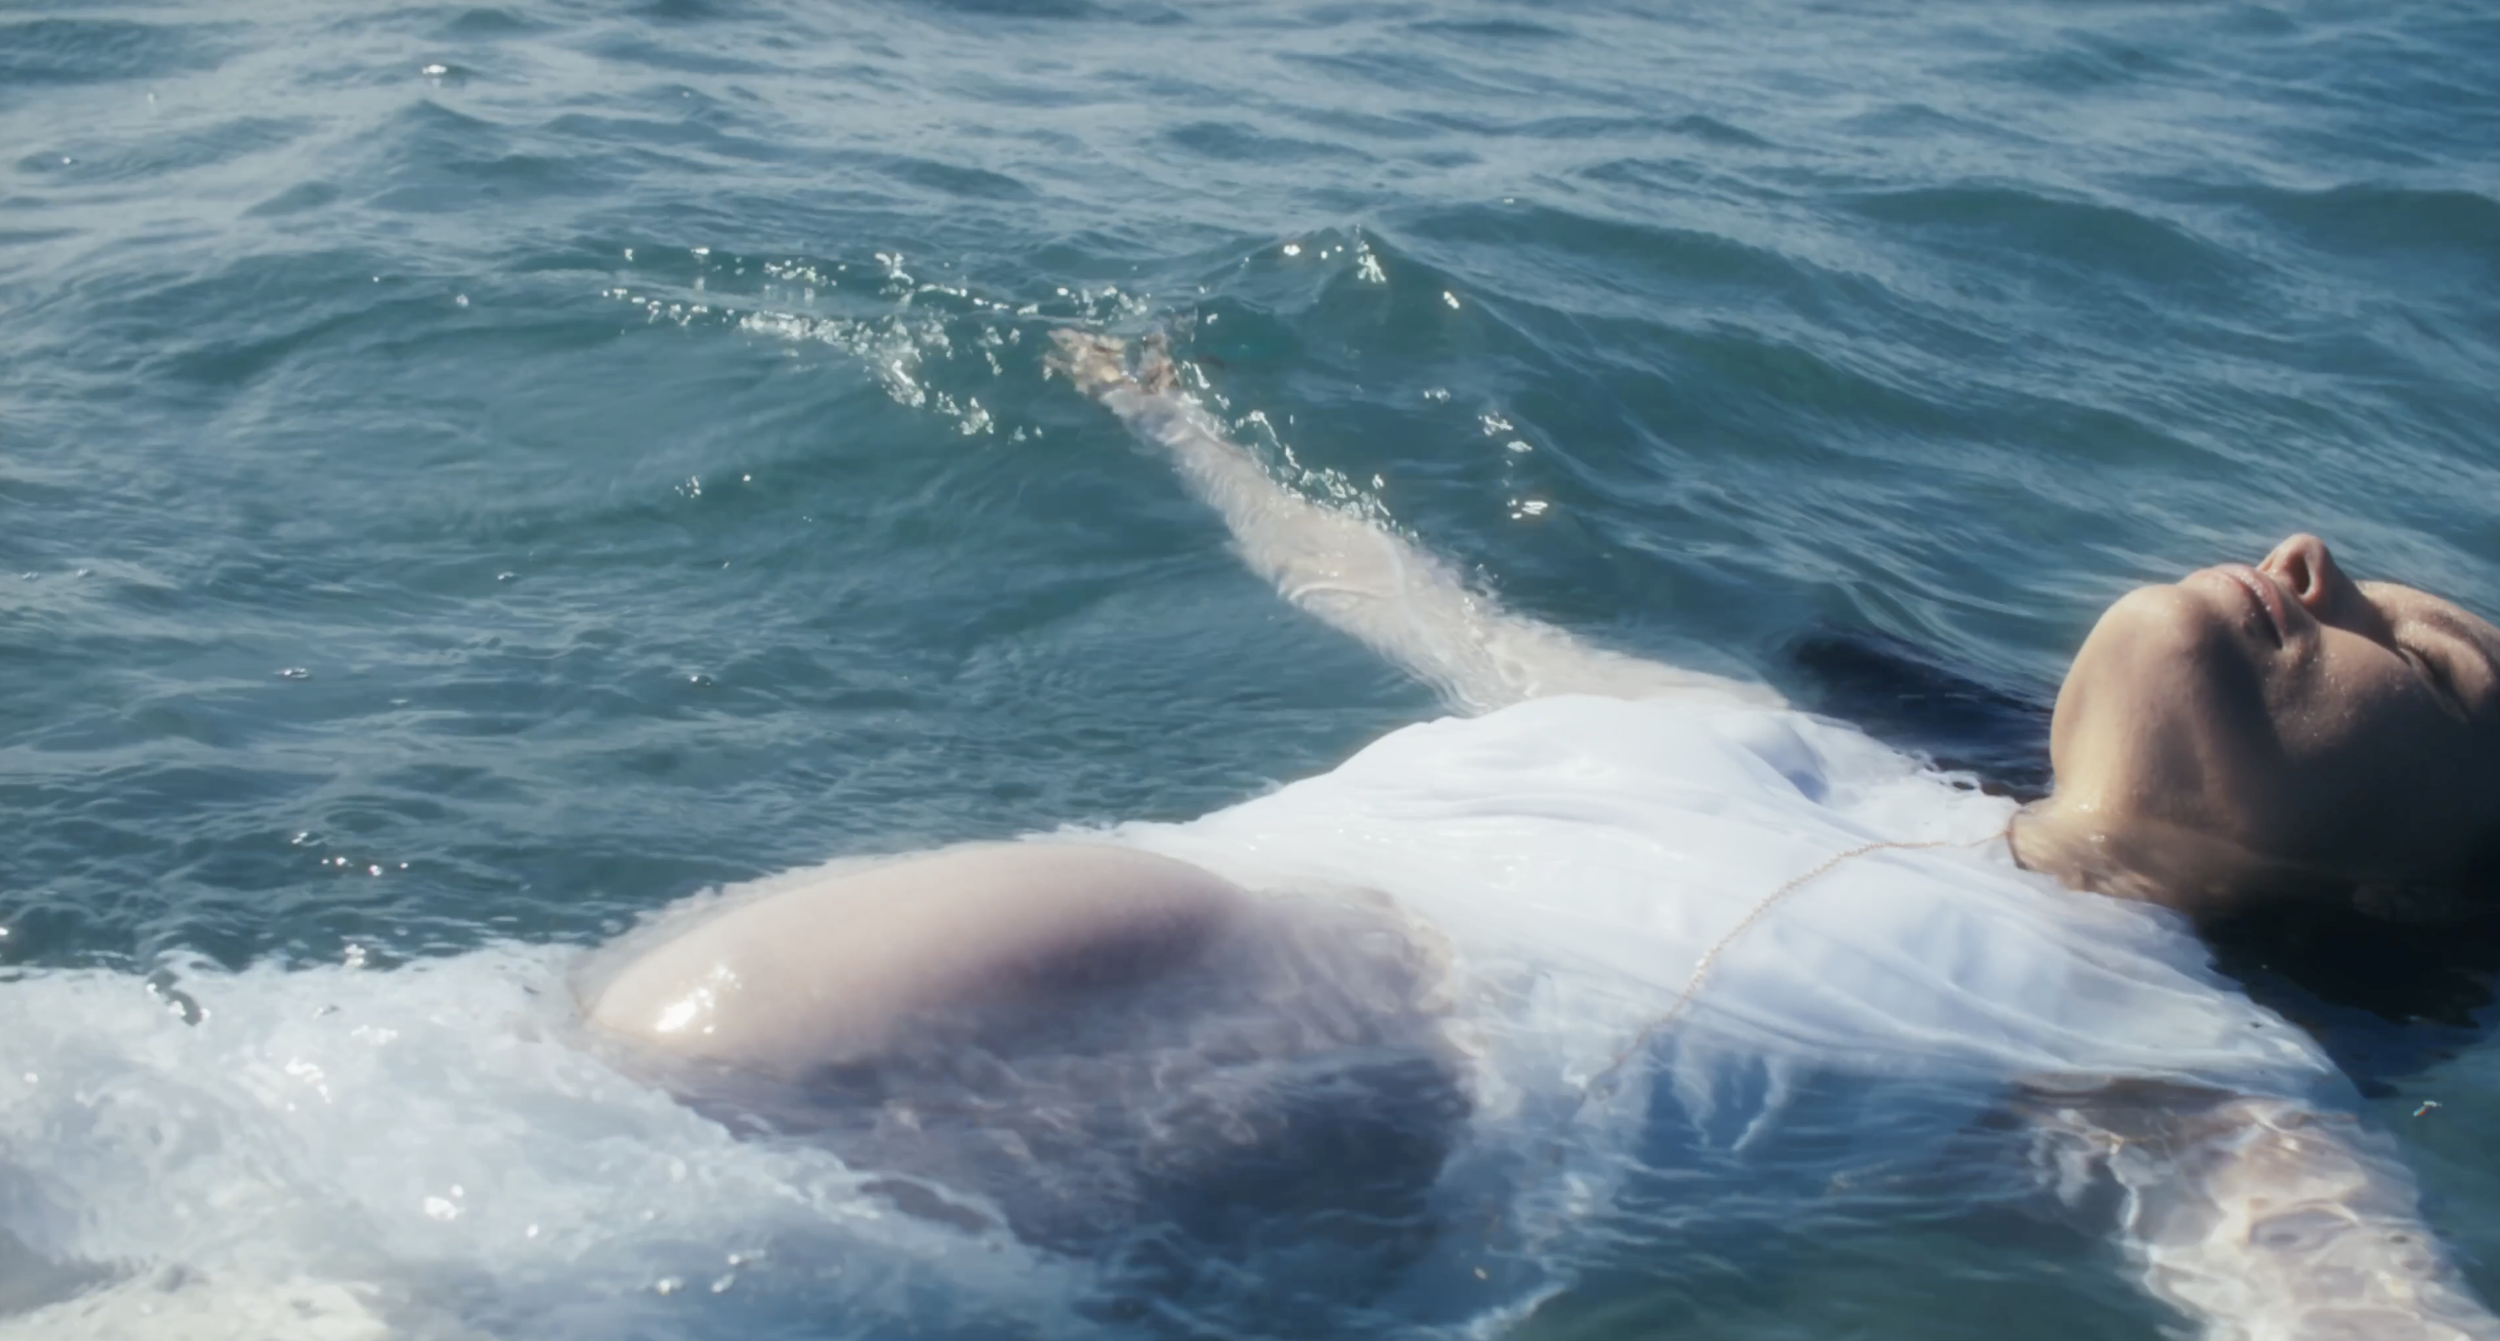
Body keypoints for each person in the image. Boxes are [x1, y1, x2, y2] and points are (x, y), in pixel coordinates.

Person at [581, 330, 2500, 1340]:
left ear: (2425, 874)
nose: (2313, 566)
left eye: (2431, 657)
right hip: (549, 1098)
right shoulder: (1758, 744)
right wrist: (1185, 429)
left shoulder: (2194, 1079)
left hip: (954, 1261)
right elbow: (1406, 599)